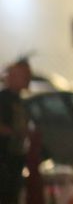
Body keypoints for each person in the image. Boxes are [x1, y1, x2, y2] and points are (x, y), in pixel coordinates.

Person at [0, 59, 32, 204]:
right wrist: (16, 132)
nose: (28, 79)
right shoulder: (4, 99)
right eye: (25, 75)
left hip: (15, 157)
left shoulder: (18, 100)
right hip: (4, 158)